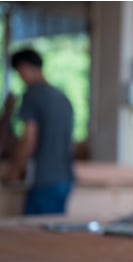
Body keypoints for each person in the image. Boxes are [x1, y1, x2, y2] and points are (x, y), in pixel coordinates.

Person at [1, 48, 75, 215]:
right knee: (54, 232)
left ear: (25, 67)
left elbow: (29, 140)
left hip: (44, 180)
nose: (21, 78)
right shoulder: (62, 97)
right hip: (66, 179)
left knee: (34, 234)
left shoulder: (32, 95)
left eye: (19, 72)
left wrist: (14, 171)